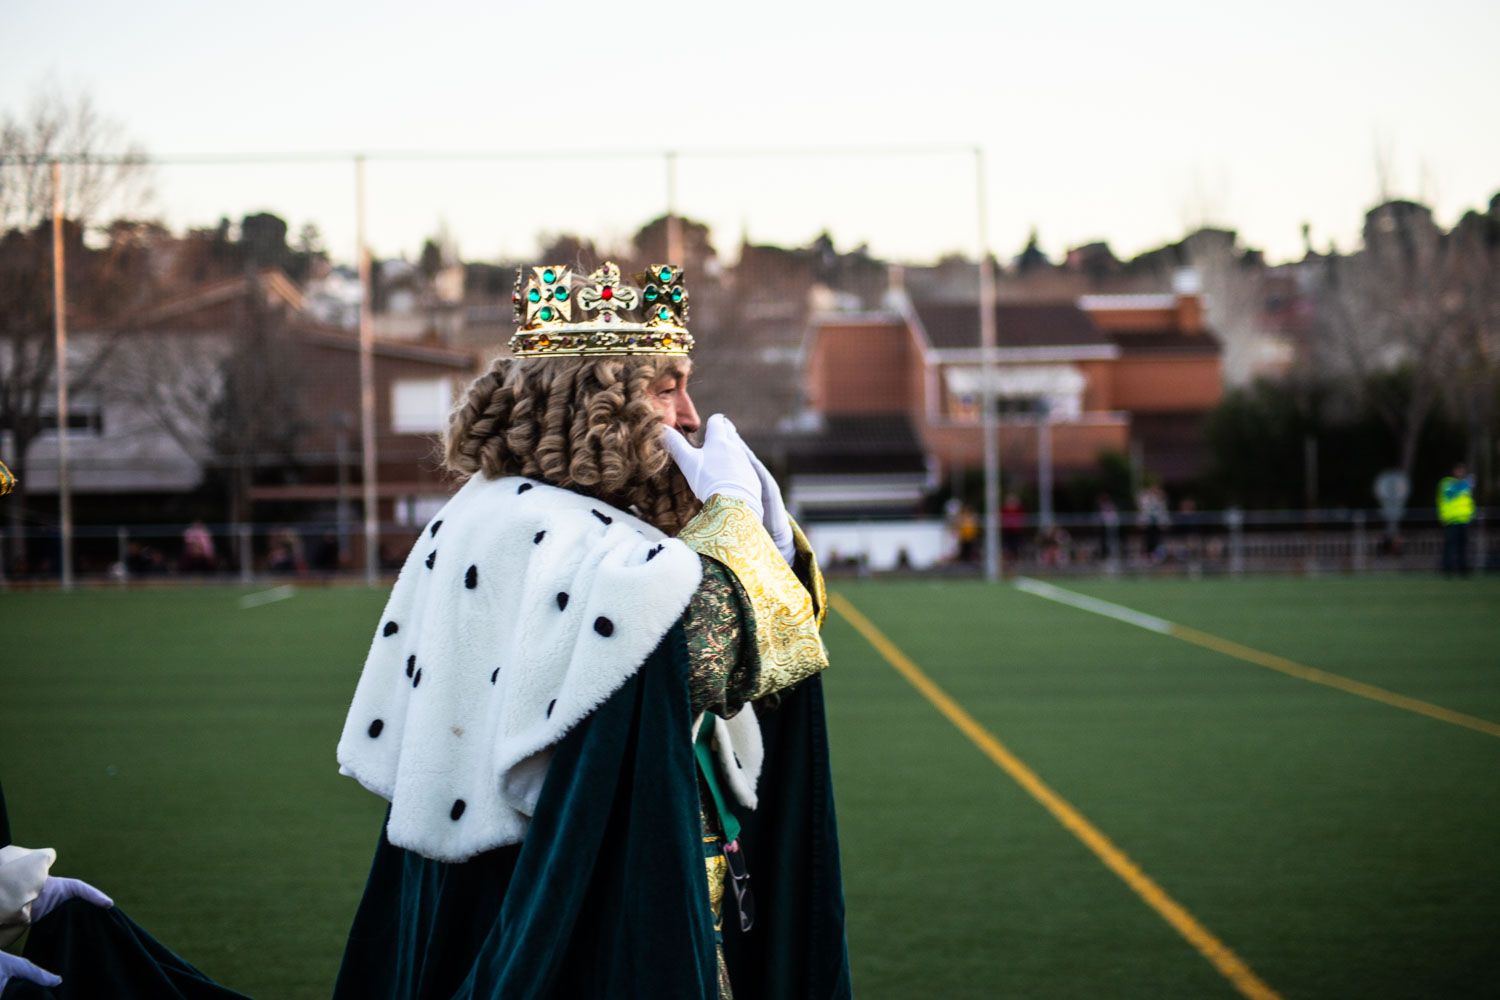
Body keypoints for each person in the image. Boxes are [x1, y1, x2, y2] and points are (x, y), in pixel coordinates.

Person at [332, 262, 849, 1000]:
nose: (690, 415)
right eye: (666, 389)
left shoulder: (513, 511)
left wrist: (763, 537)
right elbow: (700, 658)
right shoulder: (545, 527)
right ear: (596, 405)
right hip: (560, 907)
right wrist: (737, 522)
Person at [1438, 462, 1475, 577]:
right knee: (1450, 546)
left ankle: (1463, 570)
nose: (1460, 472)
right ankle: (1447, 570)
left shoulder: (1465, 484)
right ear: (1453, 471)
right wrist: (1466, 484)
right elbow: (1450, 494)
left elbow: (1468, 501)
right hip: (1451, 520)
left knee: (1463, 546)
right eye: (1458, 470)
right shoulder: (1447, 483)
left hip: (1464, 520)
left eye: (1462, 470)